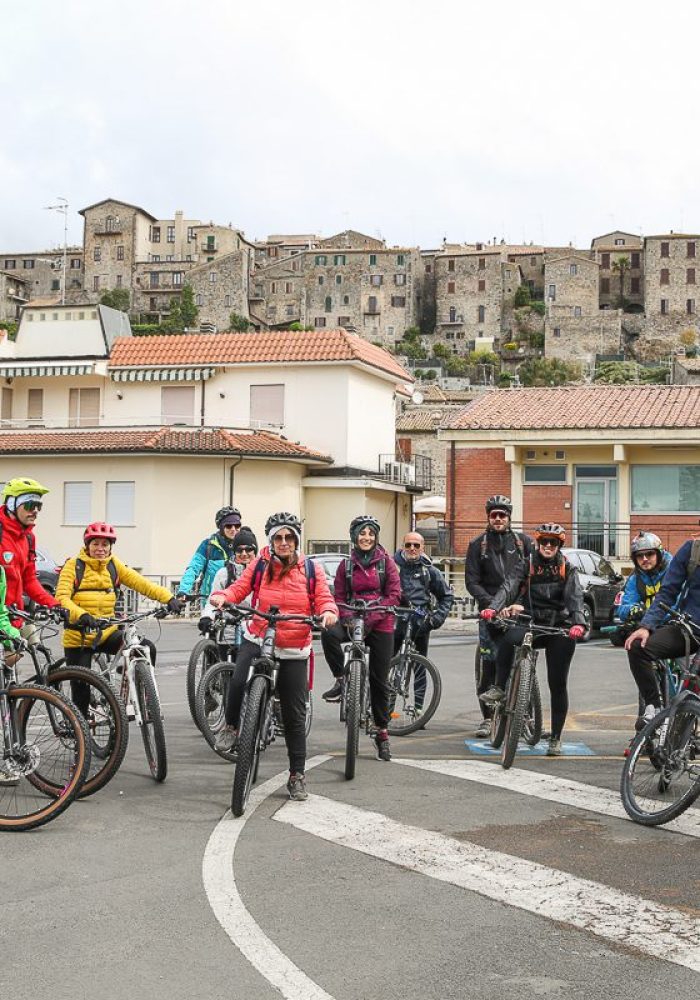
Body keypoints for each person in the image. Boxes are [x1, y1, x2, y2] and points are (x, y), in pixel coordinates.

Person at [209, 512, 338, 801]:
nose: (283, 542)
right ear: (271, 540)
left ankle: (296, 775)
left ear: (296, 540)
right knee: (239, 680)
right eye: (278, 537)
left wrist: (328, 613)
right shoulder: (259, 565)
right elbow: (239, 588)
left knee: (294, 713)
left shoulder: (311, 569)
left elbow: (324, 598)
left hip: (294, 645)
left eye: (289, 537)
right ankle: (231, 726)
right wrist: (223, 597)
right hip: (259, 634)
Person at [481, 523, 586, 756]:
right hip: (531, 620)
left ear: (559, 545)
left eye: (553, 542)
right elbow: (509, 587)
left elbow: (575, 598)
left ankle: (556, 738)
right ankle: (499, 687)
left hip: (559, 626)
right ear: (538, 543)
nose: (548, 546)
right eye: (544, 542)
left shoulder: (567, 568)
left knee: (558, 684)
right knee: (509, 640)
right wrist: (494, 607)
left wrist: (578, 623)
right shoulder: (526, 564)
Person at [56, 522, 181, 714]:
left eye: (104, 545)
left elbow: (142, 584)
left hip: (106, 633)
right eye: (96, 544)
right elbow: (62, 598)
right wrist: (82, 614)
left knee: (146, 647)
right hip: (79, 637)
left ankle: (146, 696)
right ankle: (80, 733)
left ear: (110, 547)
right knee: (81, 689)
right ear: (87, 545)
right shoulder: (74, 566)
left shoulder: (114, 565)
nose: (100, 549)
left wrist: (168, 598)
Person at [320, 514, 401, 762]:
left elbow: (395, 594)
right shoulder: (345, 566)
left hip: (380, 622)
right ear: (354, 536)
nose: (366, 538)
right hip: (352, 619)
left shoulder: (386, 564)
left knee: (379, 679)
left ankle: (382, 732)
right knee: (327, 632)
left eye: (371, 534)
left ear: (376, 537)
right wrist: (346, 618)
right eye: (362, 533)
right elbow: (339, 598)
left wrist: (372, 617)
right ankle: (342, 679)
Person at [465, 495, 531, 738]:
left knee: (525, 663)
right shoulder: (477, 545)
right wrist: (490, 605)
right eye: (494, 515)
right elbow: (471, 581)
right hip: (490, 612)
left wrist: (518, 605)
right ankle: (487, 718)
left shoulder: (524, 543)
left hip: (517, 610)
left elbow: (529, 579)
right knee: (489, 666)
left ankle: (525, 714)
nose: (498, 519)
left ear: (509, 517)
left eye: (502, 515)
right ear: (488, 517)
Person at [625, 536, 700, 725]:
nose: (645, 558)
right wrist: (646, 626)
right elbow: (667, 592)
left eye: (649, 554)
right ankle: (653, 706)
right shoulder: (691, 550)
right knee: (637, 646)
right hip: (690, 628)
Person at [393, 531, 454, 711]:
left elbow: (446, 596)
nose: (412, 548)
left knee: (419, 666)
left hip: (420, 624)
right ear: (402, 546)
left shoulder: (429, 570)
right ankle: (383, 709)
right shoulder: (391, 567)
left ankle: (418, 709)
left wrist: (436, 618)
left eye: (416, 545)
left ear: (422, 547)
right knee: (387, 664)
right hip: (394, 622)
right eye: (408, 545)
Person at [0, 477, 60, 624]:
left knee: (36, 646)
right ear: (11, 505)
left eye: (38, 506)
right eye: (29, 505)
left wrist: (55, 605)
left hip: (16, 617)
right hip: (3, 619)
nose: (34, 511)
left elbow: (29, 580)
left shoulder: (29, 538)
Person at [612, 532, 671, 648]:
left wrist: (650, 615)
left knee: (683, 661)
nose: (644, 559)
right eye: (639, 555)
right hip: (648, 626)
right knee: (634, 646)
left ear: (659, 554)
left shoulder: (674, 571)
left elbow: (678, 604)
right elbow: (622, 608)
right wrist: (634, 610)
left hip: (674, 625)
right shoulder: (635, 578)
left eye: (650, 554)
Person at [177, 506, 243, 602]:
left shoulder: (244, 547)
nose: (233, 529)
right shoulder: (208, 546)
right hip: (211, 602)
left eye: (237, 525)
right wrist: (183, 591)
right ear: (221, 527)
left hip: (236, 602)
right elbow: (193, 568)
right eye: (228, 525)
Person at [199, 527, 258, 631]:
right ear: (234, 552)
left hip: (256, 629)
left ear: (255, 551)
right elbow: (213, 600)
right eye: (239, 550)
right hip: (228, 628)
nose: (244, 554)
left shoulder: (263, 573)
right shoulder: (223, 573)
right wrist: (207, 617)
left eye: (248, 549)